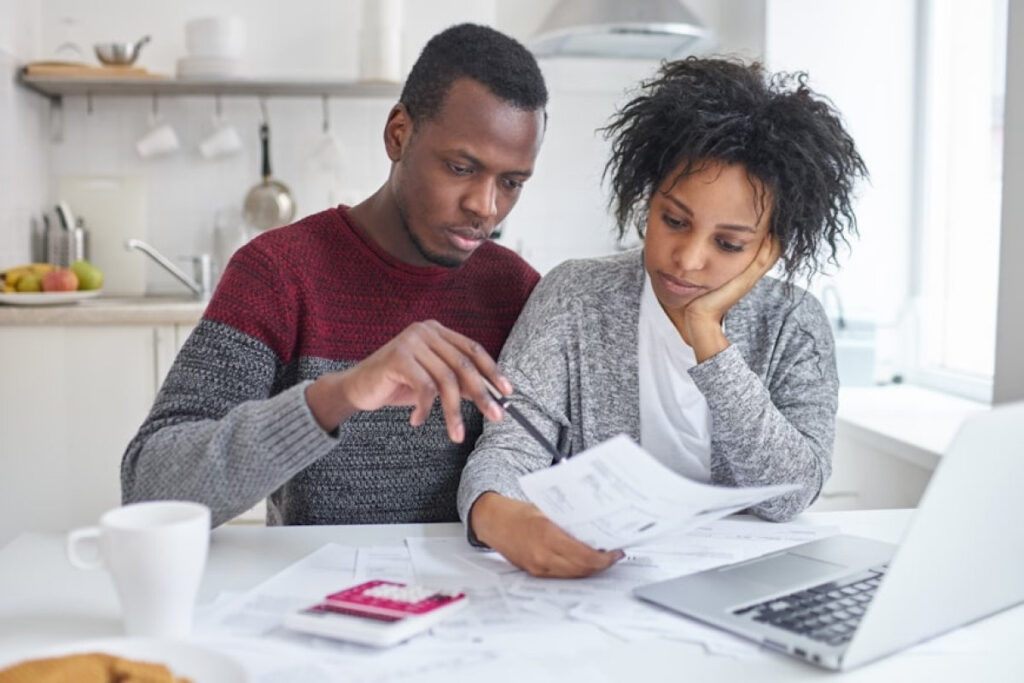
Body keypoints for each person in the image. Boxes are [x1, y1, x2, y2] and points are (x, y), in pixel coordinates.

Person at [121, 23, 549, 528]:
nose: (485, 205)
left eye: (512, 182)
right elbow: (149, 488)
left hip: (480, 595)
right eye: (460, 168)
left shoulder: (518, 291)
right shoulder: (278, 273)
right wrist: (339, 395)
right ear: (398, 134)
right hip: (315, 596)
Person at [458, 57, 868, 578]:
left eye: (728, 243)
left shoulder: (794, 323)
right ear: (648, 200)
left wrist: (708, 338)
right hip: (599, 583)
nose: (687, 258)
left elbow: (790, 494)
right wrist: (497, 517)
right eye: (674, 221)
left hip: (742, 584)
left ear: (770, 248)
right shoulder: (575, 296)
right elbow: (510, 444)